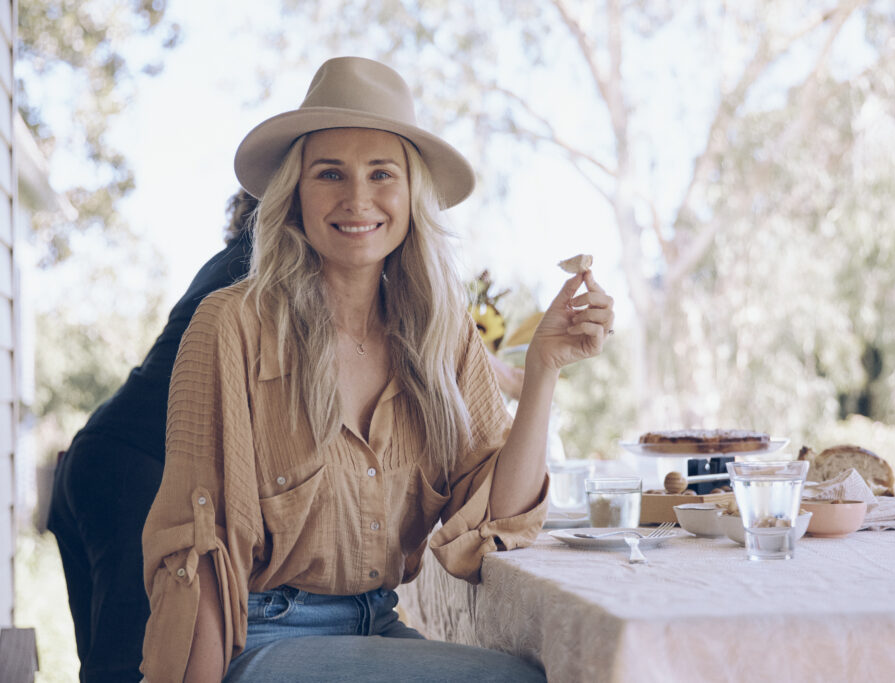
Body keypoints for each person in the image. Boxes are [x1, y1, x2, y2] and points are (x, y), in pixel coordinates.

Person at [139, 56, 615, 683]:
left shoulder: (442, 335)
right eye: (330, 173)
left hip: (378, 624)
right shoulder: (232, 325)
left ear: (411, 194)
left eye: (380, 174)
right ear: (296, 196)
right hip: (261, 637)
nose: (356, 199)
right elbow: (198, 545)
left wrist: (546, 368)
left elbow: (497, 513)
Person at [46, 189, 258, 682]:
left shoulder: (228, 260)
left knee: (106, 666)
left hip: (94, 458)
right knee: (126, 666)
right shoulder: (264, 267)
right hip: (133, 472)